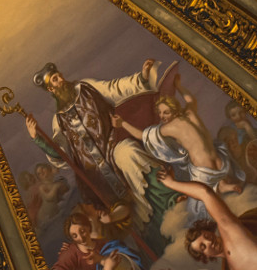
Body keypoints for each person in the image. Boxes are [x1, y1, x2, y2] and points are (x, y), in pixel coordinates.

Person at [22, 60, 170, 231]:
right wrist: (38, 139)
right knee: (129, 218)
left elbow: (115, 88)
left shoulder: (86, 88)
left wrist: (142, 78)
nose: (61, 79)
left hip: (114, 148)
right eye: (55, 79)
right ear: (50, 89)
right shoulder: (59, 121)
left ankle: (168, 200)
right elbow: (61, 155)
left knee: (130, 153)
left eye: (59, 75)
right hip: (97, 177)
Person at [113, 83, 242, 219]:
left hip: (204, 170)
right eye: (160, 112)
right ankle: (222, 185)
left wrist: (122, 123)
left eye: (166, 112)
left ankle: (220, 189)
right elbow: (190, 100)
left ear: (175, 111)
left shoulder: (170, 127)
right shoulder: (190, 113)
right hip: (221, 162)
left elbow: (142, 135)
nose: (162, 116)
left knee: (198, 212)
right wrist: (179, 85)